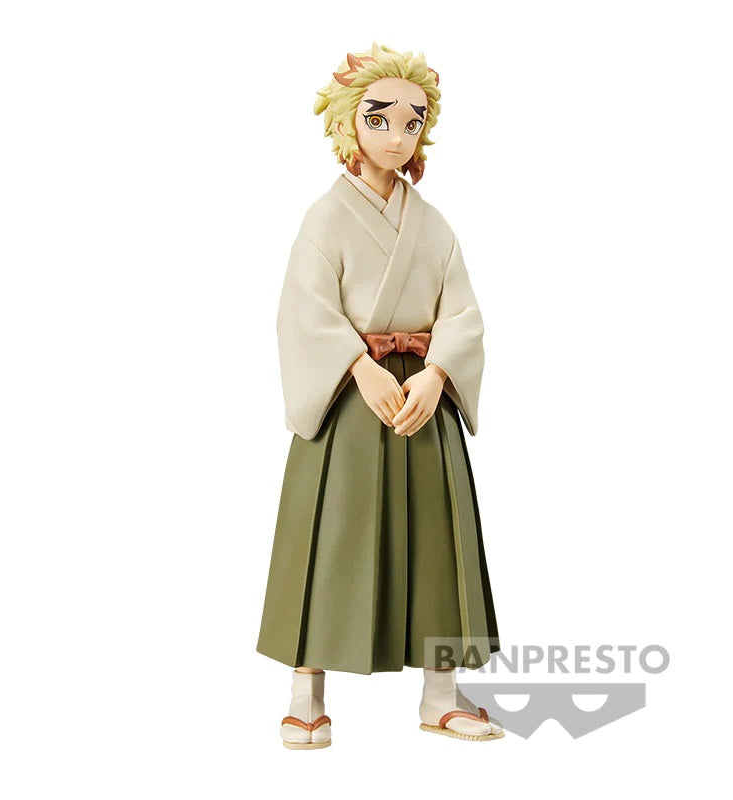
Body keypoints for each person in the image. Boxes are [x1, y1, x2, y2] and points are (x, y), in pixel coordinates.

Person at [257, 43, 502, 748]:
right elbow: (304, 310)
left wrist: (438, 373)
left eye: (412, 122)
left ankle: (442, 694)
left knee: (438, 540)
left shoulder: (432, 224)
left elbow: (462, 312)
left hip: (420, 401)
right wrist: (357, 367)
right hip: (350, 401)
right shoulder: (326, 218)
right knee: (327, 536)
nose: (398, 137)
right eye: (380, 119)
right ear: (347, 123)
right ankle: (305, 694)